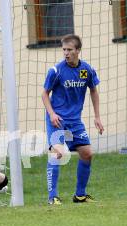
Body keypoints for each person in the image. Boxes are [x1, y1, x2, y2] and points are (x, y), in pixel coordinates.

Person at [41, 34, 104, 205]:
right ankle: (52, 197)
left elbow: (93, 91)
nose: (66, 53)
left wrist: (97, 117)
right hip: (58, 120)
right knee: (58, 153)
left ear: (78, 50)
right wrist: (52, 114)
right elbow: (45, 94)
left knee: (87, 153)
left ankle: (80, 195)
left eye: (69, 50)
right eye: (64, 50)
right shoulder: (56, 71)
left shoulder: (87, 70)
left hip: (75, 122)